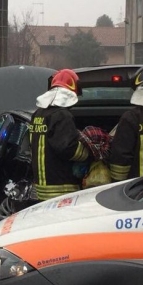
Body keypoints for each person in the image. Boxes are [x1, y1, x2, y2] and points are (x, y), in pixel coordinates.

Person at [29, 69, 90, 202]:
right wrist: (88, 153)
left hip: (41, 189)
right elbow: (68, 148)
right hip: (62, 189)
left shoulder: (38, 114)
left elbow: (31, 143)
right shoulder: (63, 115)